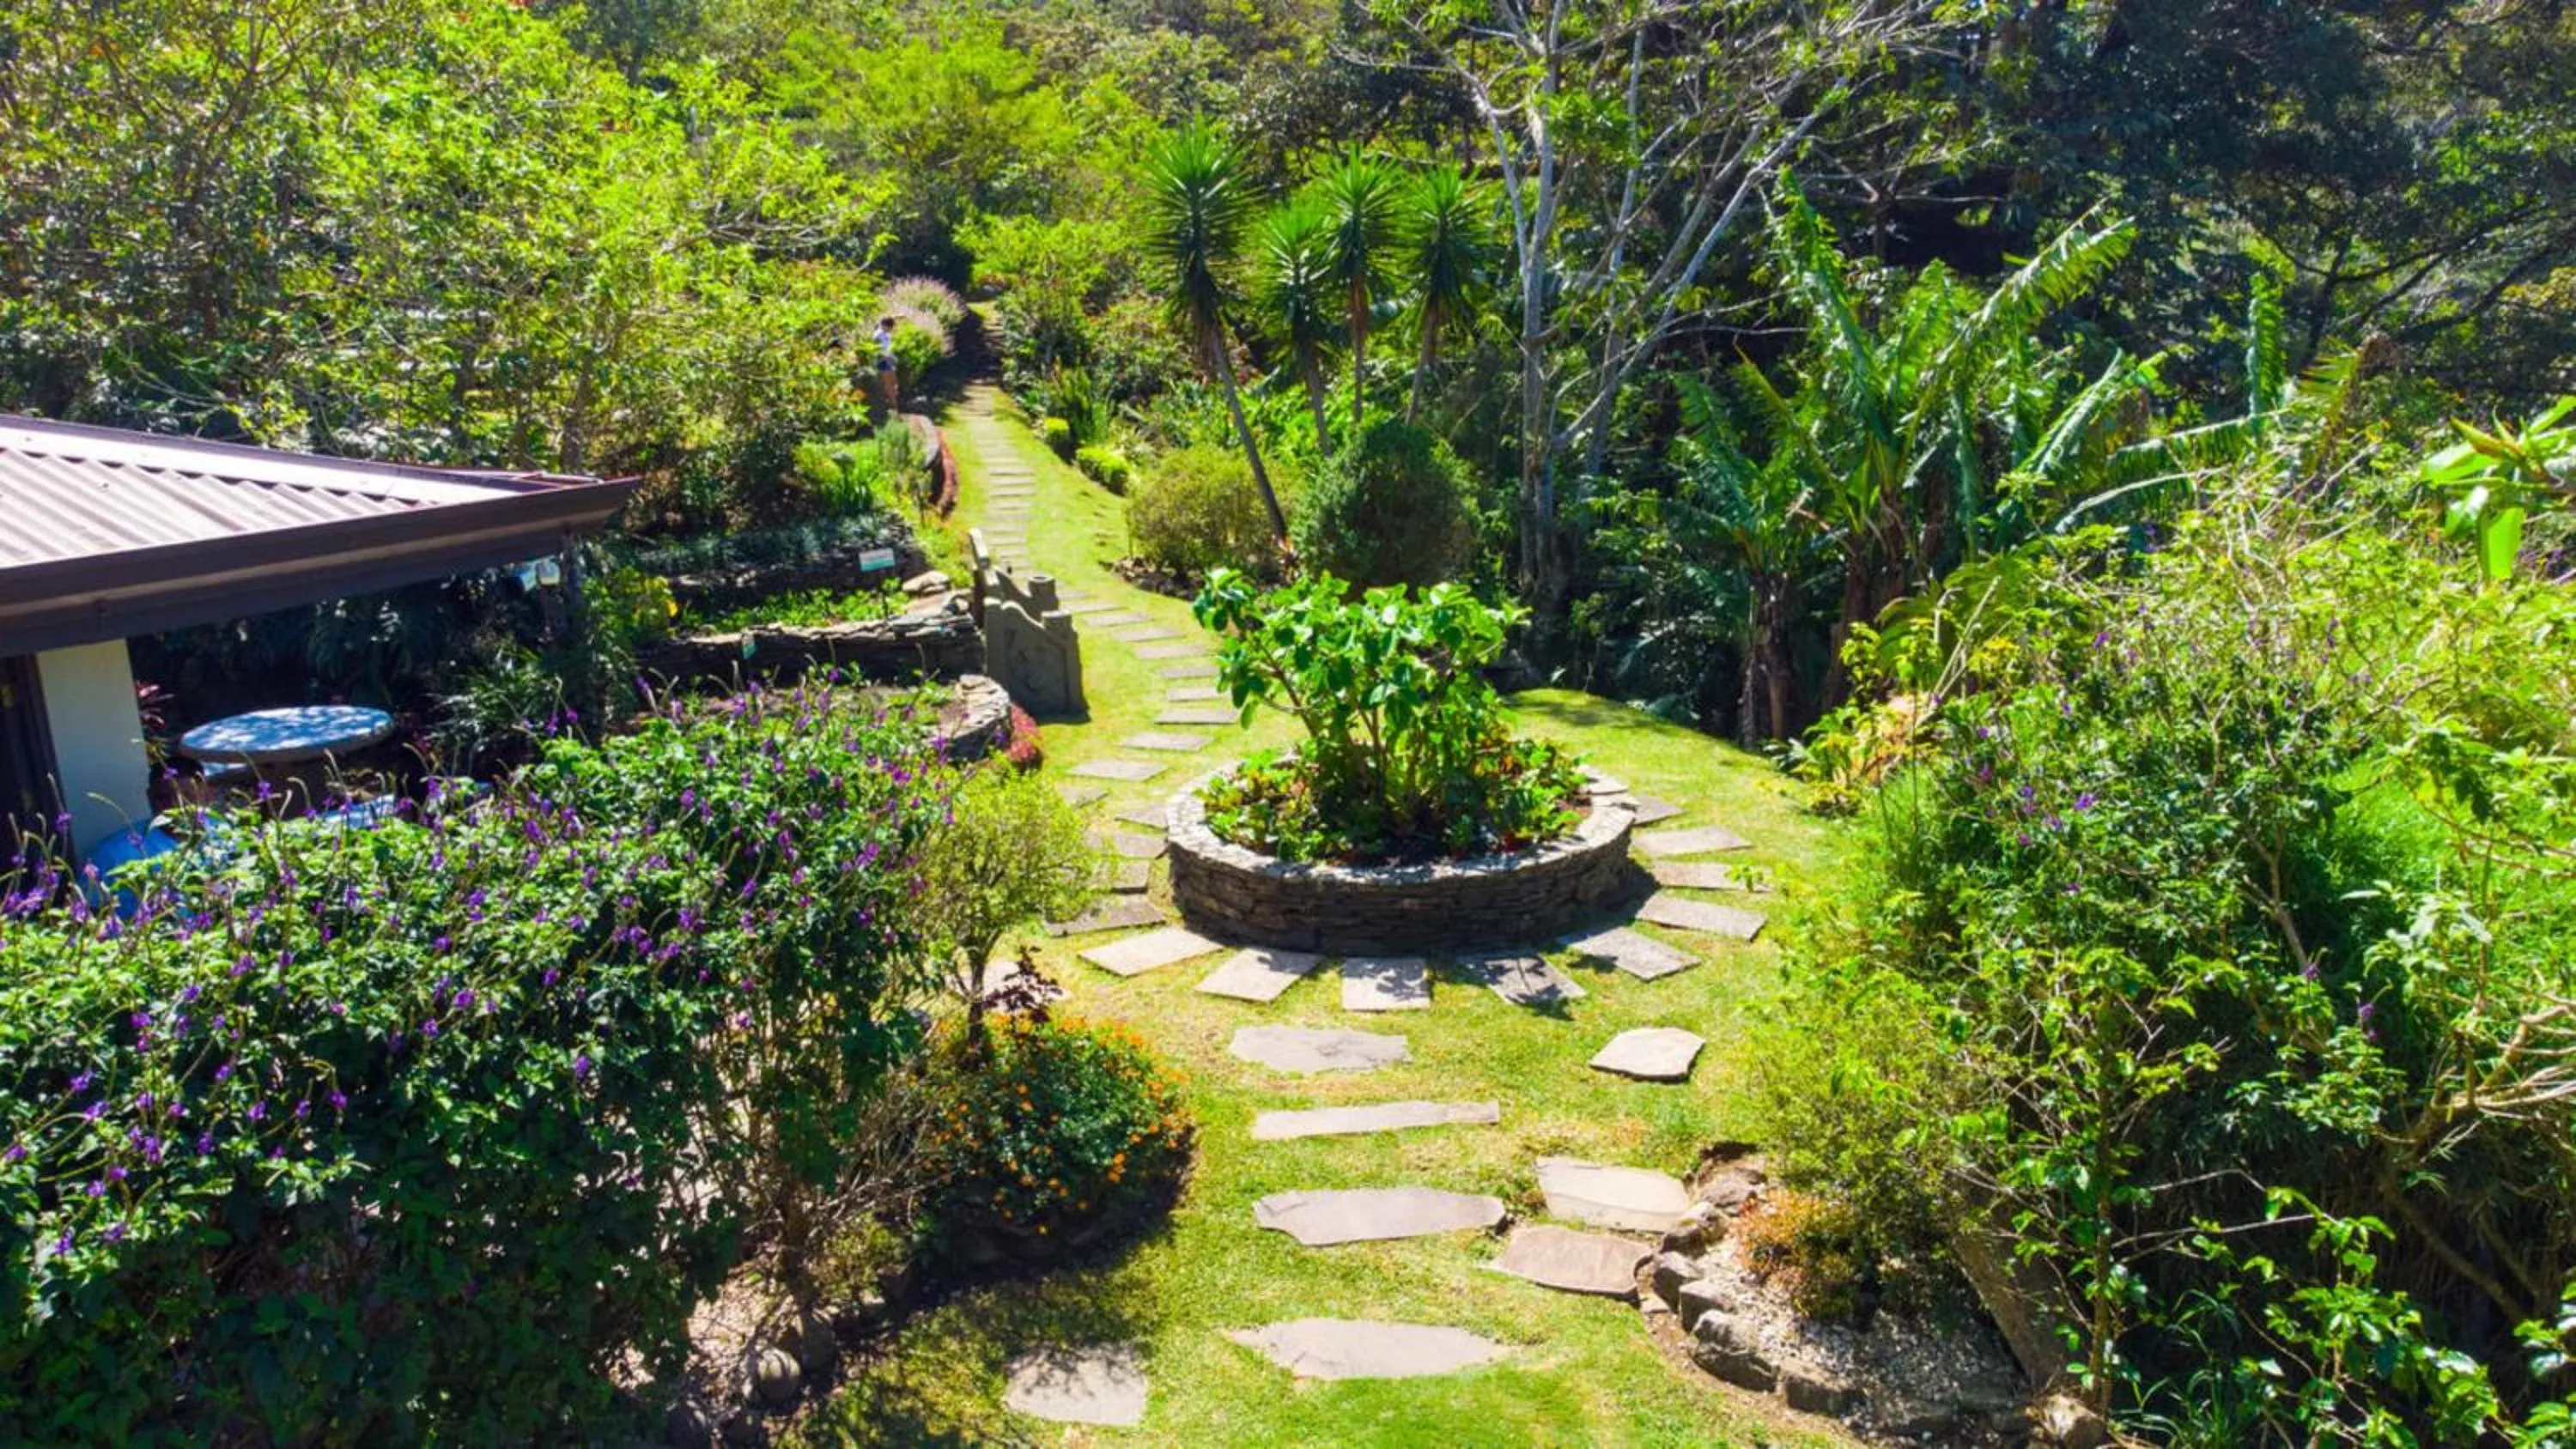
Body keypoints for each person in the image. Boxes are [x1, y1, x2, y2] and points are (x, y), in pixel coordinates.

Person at [872, 316, 900, 416]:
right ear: (885, 326)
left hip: (888, 360)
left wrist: (898, 316)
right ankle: (894, 407)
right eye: (890, 327)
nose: (891, 330)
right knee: (889, 385)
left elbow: (883, 319)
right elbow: (879, 349)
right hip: (882, 361)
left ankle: (891, 403)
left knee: (895, 383)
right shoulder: (879, 334)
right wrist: (888, 357)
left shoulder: (884, 332)